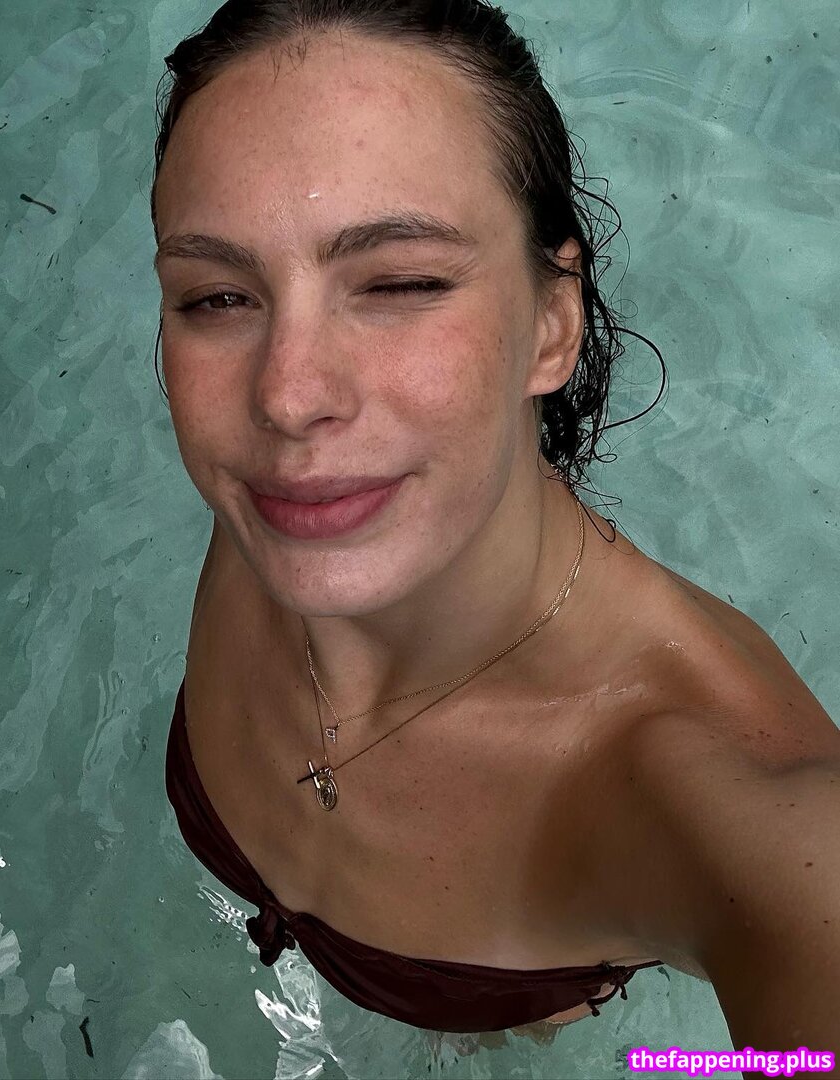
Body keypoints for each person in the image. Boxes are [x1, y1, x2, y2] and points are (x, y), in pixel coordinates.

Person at [150, 0, 840, 1057]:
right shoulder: (298, 495)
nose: (286, 397)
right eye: (216, 297)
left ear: (552, 323)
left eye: (401, 283)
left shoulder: (710, 787)